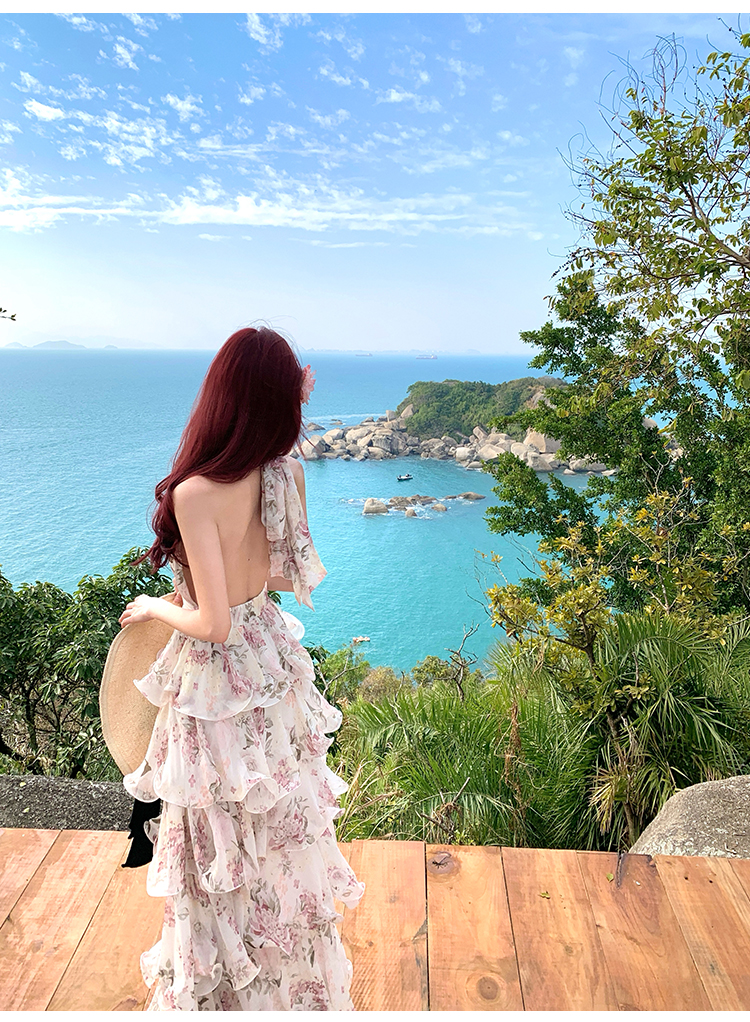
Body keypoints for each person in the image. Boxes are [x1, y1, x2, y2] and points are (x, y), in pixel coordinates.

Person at [117, 326, 365, 1011]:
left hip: (214, 684)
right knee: (278, 831)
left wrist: (155, 605)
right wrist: (224, 582)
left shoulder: (196, 492)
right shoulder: (288, 475)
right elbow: (286, 577)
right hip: (271, 665)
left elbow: (212, 625)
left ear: (221, 396)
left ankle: (226, 989)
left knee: (215, 842)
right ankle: (289, 985)